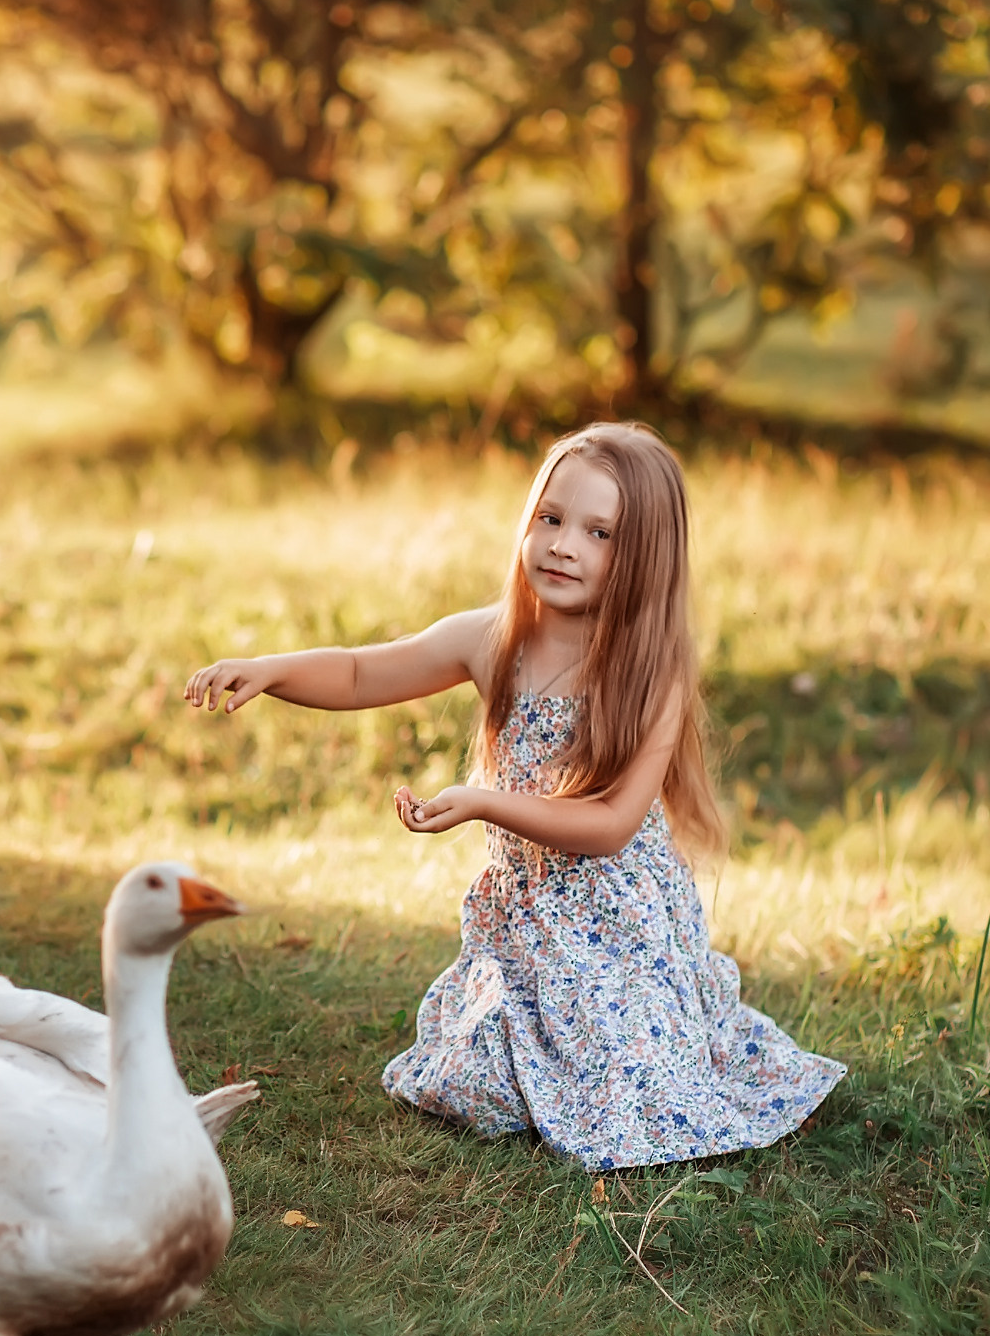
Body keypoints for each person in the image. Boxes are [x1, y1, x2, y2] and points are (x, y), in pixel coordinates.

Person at [183, 422, 842, 1170]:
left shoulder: (649, 671)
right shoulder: (495, 638)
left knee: (631, 1088)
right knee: (476, 1088)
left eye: (599, 532)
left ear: (644, 558)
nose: (563, 544)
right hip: (526, 929)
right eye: (551, 519)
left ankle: (662, 1033)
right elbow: (366, 673)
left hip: (621, 930)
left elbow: (610, 825)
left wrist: (484, 801)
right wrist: (271, 669)